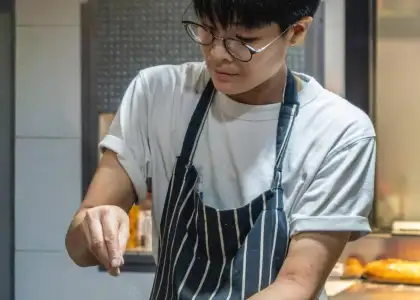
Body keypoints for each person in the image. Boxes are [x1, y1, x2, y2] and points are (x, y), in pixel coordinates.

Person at [65, 0, 376, 299]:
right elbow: (78, 248)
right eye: (208, 30)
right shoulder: (158, 94)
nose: (217, 54)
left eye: (244, 40)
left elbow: (297, 285)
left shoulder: (340, 131)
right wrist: (96, 226)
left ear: (296, 31)